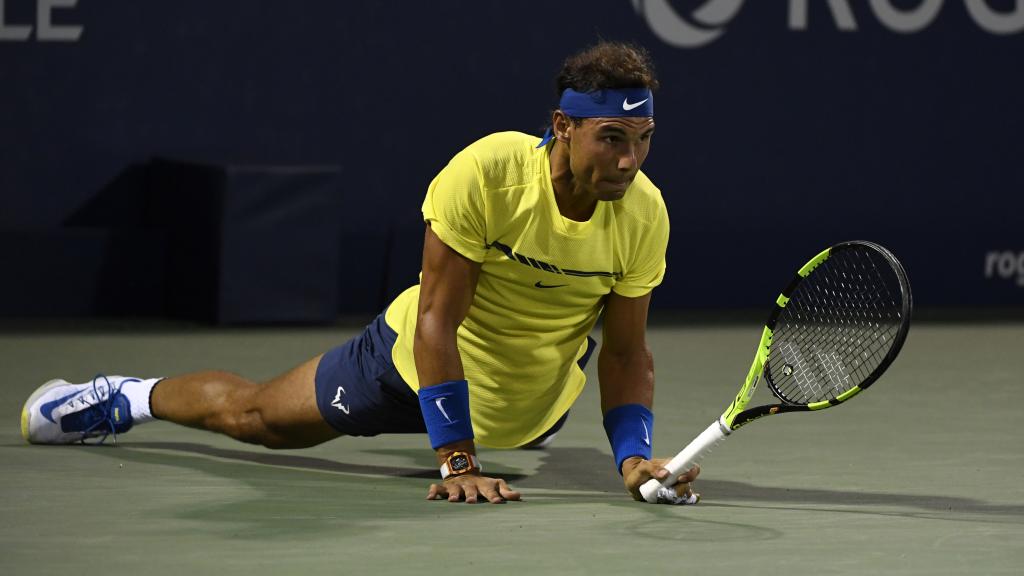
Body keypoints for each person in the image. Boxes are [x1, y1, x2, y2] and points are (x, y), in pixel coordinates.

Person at [21, 41, 699, 505]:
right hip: (406, 365)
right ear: (564, 125)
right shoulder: (488, 174)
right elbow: (437, 320)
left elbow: (624, 352)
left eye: (643, 140)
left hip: (523, 411)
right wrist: (458, 460)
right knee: (256, 418)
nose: (629, 160)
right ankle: (124, 398)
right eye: (612, 137)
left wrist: (633, 458)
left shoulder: (644, 214)